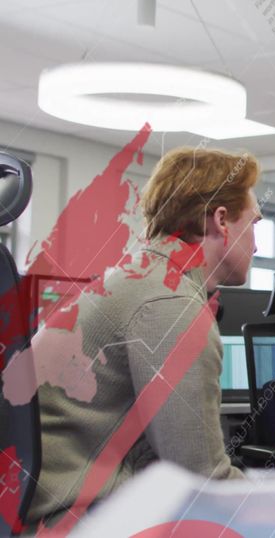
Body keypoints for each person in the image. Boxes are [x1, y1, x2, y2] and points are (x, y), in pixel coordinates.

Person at [28, 147, 261, 527]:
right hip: (75, 520)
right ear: (221, 220)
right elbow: (200, 483)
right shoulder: (171, 306)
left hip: (52, 505)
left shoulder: (138, 276)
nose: (257, 244)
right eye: (254, 224)